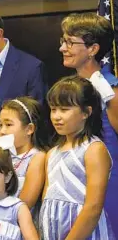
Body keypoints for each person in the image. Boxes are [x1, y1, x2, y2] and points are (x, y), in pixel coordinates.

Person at [60, 12, 118, 233]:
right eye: (62, 41)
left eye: (70, 42)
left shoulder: (110, 90)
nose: (62, 48)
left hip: (108, 187)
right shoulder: (68, 88)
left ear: (93, 49)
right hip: (73, 183)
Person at [40, 75, 115, 239]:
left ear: (86, 112)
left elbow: (93, 207)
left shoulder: (94, 149)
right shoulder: (52, 153)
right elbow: (47, 199)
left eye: (64, 110)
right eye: (53, 109)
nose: (56, 116)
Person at [0, 96, 50, 225]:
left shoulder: (37, 157)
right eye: (0, 125)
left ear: (29, 129)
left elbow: (25, 203)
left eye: (9, 124)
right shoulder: (1, 155)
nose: (2, 131)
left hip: (20, 225)